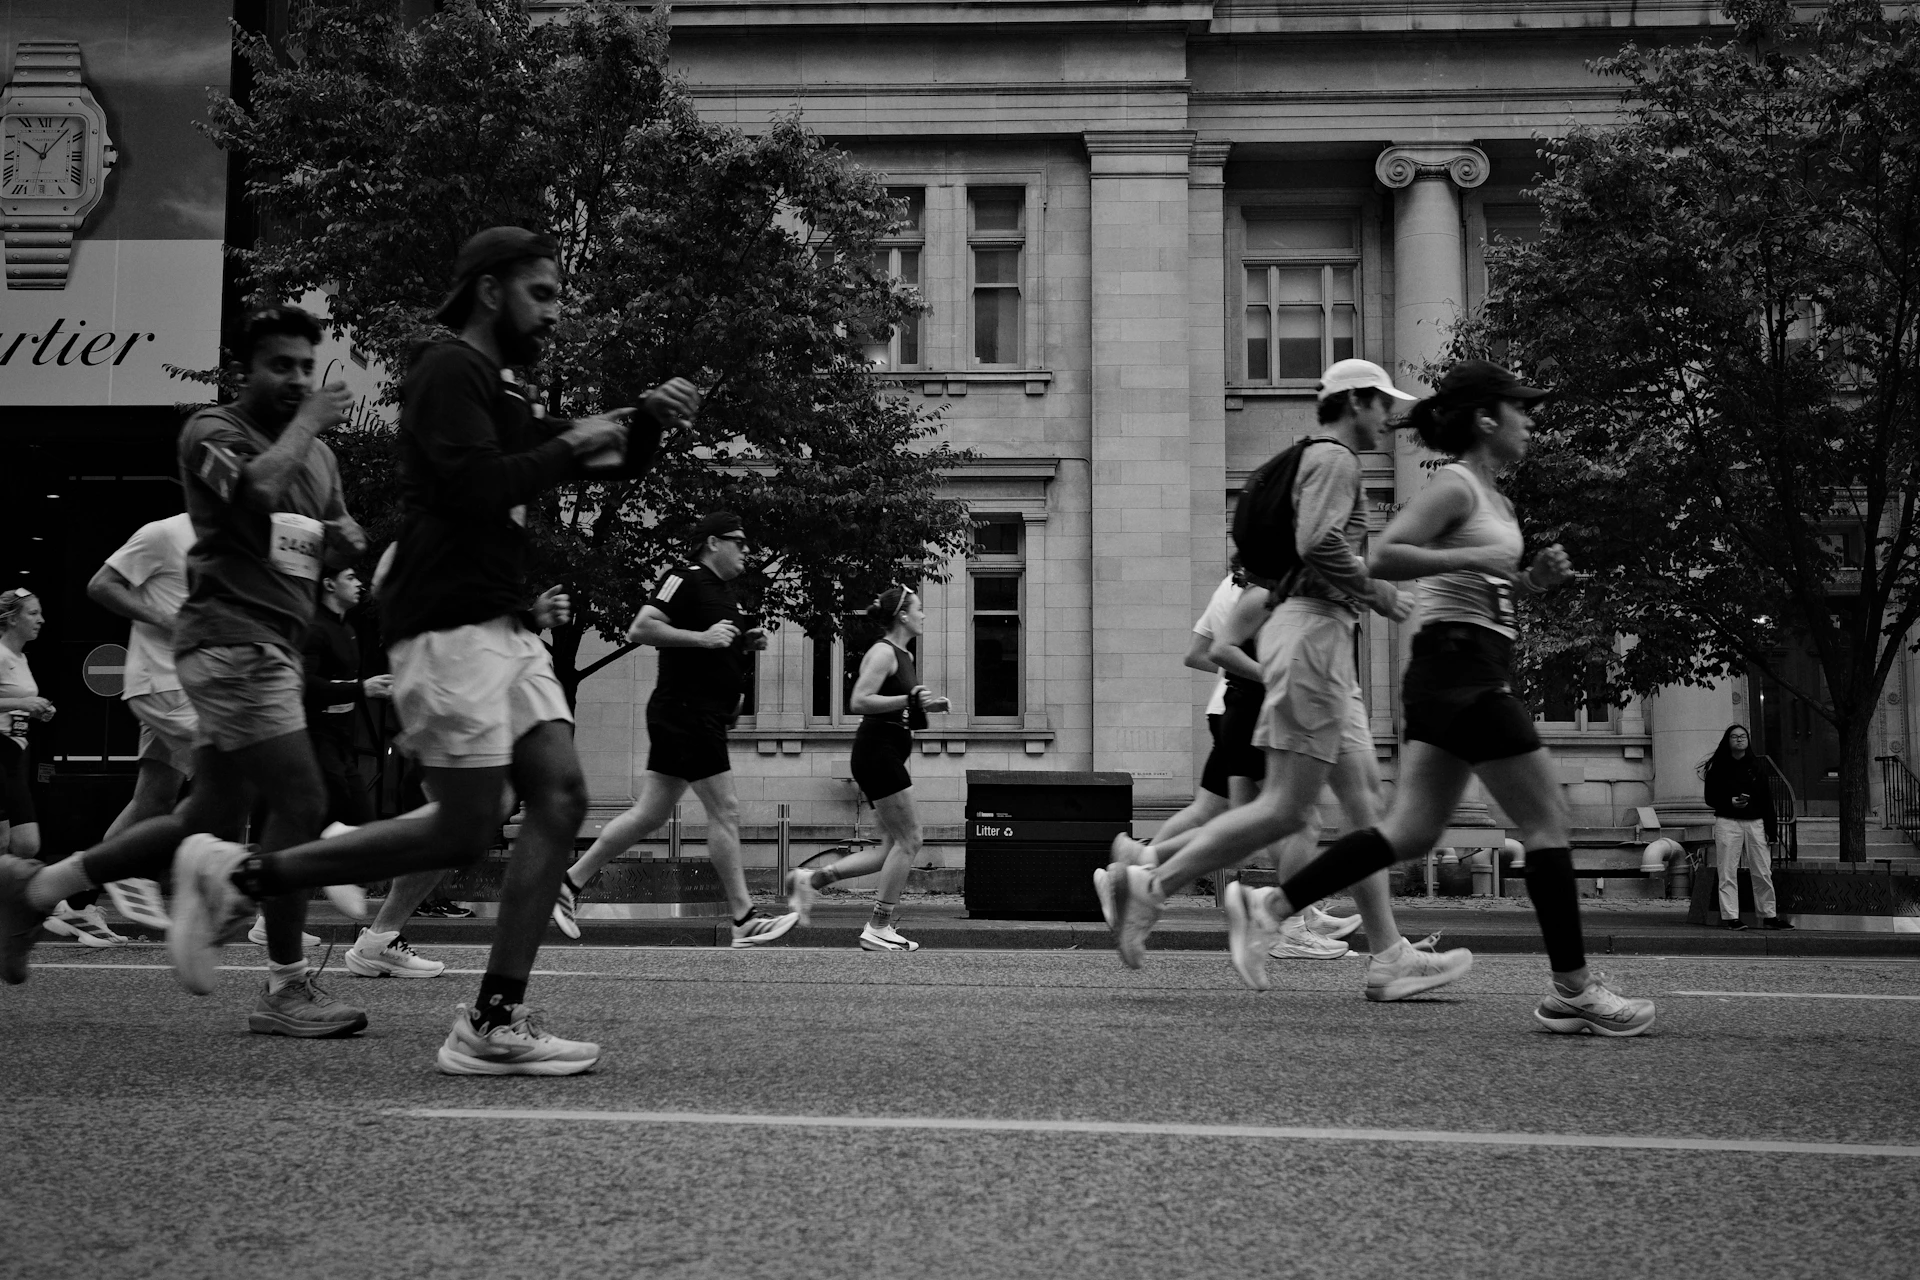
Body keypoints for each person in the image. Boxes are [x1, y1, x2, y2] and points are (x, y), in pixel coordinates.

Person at [98, 227, 697, 1076]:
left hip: (500, 622)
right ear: (492, 291)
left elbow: (594, 456)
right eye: (545, 294)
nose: (556, 313)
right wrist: (572, 442)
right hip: (446, 620)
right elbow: (474, 484)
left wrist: (645, 423)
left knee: (559, 798)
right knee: (463, 827)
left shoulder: (499, 386)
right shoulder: (448, 370)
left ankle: (494, 1018)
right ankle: (244, 872)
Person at [1227, 359, 1655, 1036]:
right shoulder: (1455, 485)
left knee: (1408, 832)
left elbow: (1490, 583)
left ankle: (1274, 906)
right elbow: (1385, 556)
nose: (1532, 421)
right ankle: (1573, 990)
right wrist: (1477, 563)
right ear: (1487, 419)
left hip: (1460, 668)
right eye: (1522, 410)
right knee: (1548, 823)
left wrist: (1532, 580)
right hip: (1460, 671)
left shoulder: (1497, 501)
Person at [0, 305, 372, 1041]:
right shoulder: (213, 430)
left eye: (306, 366)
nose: (297, 380)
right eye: (281, 366)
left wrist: (345, 538)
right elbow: (253, 495)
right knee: (300, 798)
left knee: (199, 816)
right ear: (248, 369)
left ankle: (37, 888)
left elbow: (340, 534)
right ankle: (282, 979)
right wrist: (310, 426)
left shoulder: (321, 459)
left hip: (275, 646)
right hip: (228, 642)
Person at [1102, 359, 1473, 1004]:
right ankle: (1152, 878)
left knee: (1363, 810)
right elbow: (1318, 543)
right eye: (1383, 405)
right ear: (1355, 403)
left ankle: (1388, 954)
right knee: (1284, 811)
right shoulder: (1335, 460)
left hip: (1317, 637)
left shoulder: (1315, 457)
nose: (1391, 419)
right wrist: (1378, 591)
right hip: (1316, 636)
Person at [554, 512, 797, 949]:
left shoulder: (726, 595)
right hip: (685, 712)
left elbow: (717, 645)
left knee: (649, 815)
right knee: (726, 811)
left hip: (699, 715)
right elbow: (641, 627)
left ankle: (568, 885)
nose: (746, 549)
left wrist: (744, 642)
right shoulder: (682, 577)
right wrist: (703, 638)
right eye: (738, 541)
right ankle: (743, 918)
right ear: (711, 543)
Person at [785, 585, 950, 951]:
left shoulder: (903, 655)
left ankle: (809, 880)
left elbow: (895, 706)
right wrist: (908, 698)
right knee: (911, 840)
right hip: (878, 753)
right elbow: (860, 699)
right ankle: (878, 926)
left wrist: (927, 707)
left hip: (885, 752)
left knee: (889, 848)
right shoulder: (883, 651)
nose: (924, 615)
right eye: (919, 609)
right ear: (903, 616)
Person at [302, 564, 445, 978]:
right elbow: (302, 684)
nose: (358, 584)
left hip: (348, 744)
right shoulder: (318, 628)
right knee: (443, 836)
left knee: (429, 842)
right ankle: (255, 887)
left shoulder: (347, 630)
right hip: (318, 742)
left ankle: (377, 931)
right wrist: (361, 690)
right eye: (349, 577)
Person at [84, 515, 199, 937]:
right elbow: (100, 585)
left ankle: (62, 895)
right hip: (166, 684)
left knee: (152, 799)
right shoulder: (164, 533)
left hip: (198, 685)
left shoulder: (235, 537)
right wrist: (169, 622)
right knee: (237, 771)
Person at [1704, 724, 1788, 931]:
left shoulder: (1757, 766)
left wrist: (1771, 830)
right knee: (1727, 870)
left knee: (1762, 870)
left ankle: (1769, 915)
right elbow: (1710, 797)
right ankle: (1731, 916)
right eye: (1734, 736)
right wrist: (1729, 802)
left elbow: (1767, 800)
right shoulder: (1718, 767)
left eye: (1743, 736)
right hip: (1728, 821)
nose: (1739, 740)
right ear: (1727, 740)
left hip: (1755, 821)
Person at [0, 590, 55, 865]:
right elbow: (16, 701)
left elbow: (16, 703)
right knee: (3, 842)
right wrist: (22, 702)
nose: (41, 620)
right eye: (33, 613)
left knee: (26, 844)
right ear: (11, 619)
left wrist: (36, 710)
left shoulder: (21, 658)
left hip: (16, 753)